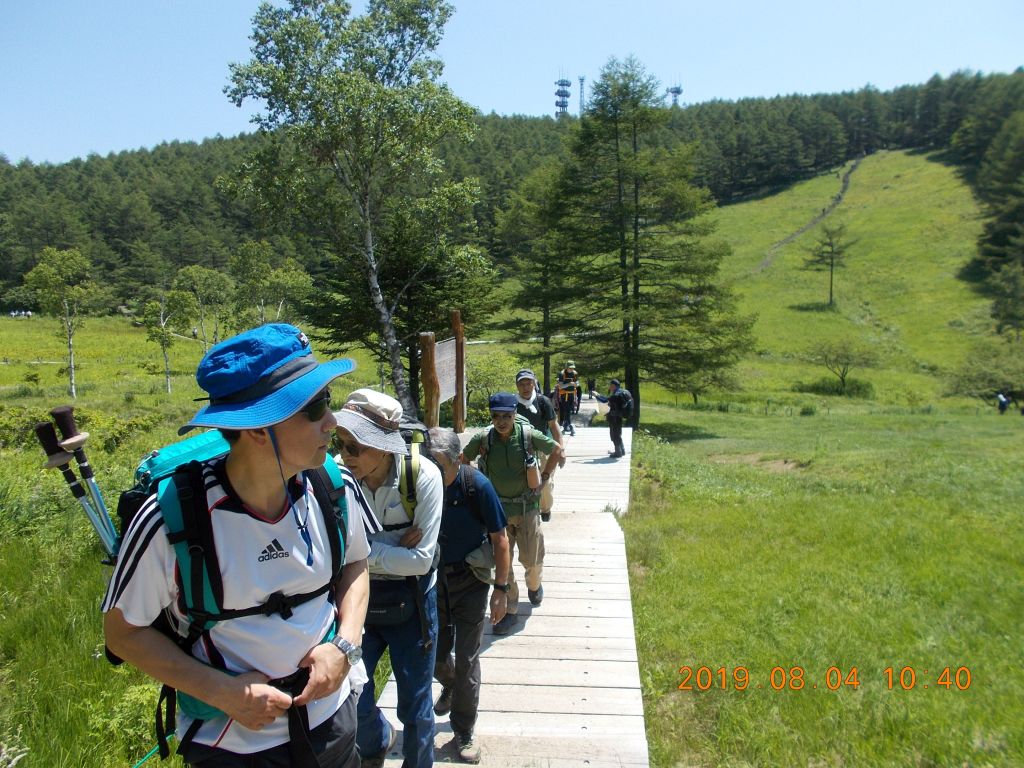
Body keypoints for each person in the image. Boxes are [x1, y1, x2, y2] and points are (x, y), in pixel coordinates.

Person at [103, 323, 372, 768]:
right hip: (231, 747)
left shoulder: (334, 488)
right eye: (316, 407)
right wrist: (222, 692)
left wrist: (344, 645)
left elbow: (356, 568)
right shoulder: (172, 519)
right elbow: (122, 632)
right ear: (258, 429)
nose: (332, 421)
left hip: (333, 722)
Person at [334, 389, 443, 768]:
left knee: (415, 705)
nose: (343, 456)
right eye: (340, 443)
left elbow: (422, 562)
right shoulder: (336, 477)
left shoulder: (424, 477)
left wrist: (362, 551)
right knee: (353, 697)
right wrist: (392, 545)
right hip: (356, 603)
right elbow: (334, 556)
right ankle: (377, 739)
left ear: (383, 448)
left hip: (413, 602)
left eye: (354, 447)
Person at [427, 428, 511, 764]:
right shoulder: (420, 485)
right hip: (432, 582)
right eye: (427, 464)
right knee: (431, 654)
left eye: (439, 465)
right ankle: (449, 683)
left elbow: (500, 540)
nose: (432, 471)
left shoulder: (477, 486)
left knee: (468, 660)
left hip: (471, 583)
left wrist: (501, 591)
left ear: (458, 460)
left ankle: (463, 730)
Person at [461, 393, 563, 635]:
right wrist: (478, 485)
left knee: (531, 560)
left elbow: (557, 450)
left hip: (527, 509)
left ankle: (535, 584)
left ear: (515, 414)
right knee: (501, 563)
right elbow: (462, 460)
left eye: (507, 415)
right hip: (497, 513)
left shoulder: (527, 435)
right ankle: (510, 609)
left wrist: (545, 478)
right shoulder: (484, 438)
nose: (501, 421)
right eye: (496, 416)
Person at [514, 368, 564, 523]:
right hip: (520, 448)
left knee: (545, 482)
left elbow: (554, 427)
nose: (526, 387)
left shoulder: (543, 402)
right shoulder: (513, 403)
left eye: (529, 383)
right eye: (522, 384)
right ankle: (526, 508)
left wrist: (561, 450)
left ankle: (545, 509)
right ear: (517, 386)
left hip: (542, 449)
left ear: (534, 384)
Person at [591, 378, 633, 459]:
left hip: (614, 417)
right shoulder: (621, 392)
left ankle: (618, 452)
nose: (610, 387)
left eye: (610, 385)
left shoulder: (616, 395)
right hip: (619, 416)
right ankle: (622, 450)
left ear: (614, 386)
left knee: (614, 435)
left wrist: (596, 395)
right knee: (618, 433)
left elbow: (604, 400)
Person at [555, 361, 579, 436]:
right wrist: (569, 384)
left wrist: (576, 384)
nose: (571, 369)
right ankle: (571, 427)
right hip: (564, 395)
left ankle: (565, 426)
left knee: (569, 411)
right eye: (570, 368)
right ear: (567, 367)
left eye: (572, 368)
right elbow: (561, 386)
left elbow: (577, 383)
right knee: (567, 410)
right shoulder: (562, 374)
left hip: (572, 394)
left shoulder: (575, 373)